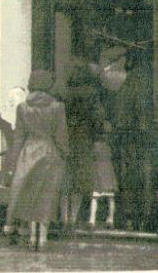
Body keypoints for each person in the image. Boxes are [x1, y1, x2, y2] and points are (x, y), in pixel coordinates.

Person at [5, 70, 69, 251]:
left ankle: (32, 237)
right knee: (46, 196)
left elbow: (18, 137)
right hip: (50, 153)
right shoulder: (58, 107)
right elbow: (61, 135)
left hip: (28, 153)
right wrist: (66, 153)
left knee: (29, 195)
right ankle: (43, 239)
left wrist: (14, 161)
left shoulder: (23, 108)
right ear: (49, 85)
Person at [112, 47, 157, 232]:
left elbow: (122, 111)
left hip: (128, 134)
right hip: (140, 135)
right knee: (144, 177)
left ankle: (130, 216)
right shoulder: (144, 78)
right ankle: (143, 217)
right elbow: (141, 108)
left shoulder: (130, 80)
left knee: (129, 177)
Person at [61, 62, 100, 230]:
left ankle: (64, 217)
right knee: (80, 181)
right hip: (83, 139)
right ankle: (74, 218)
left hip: (66, 139)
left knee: (65, 180)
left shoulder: (63, 94)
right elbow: (97, 118)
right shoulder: (92, 94)